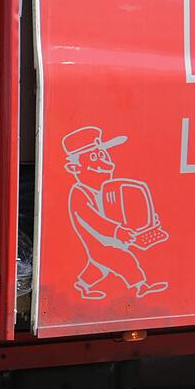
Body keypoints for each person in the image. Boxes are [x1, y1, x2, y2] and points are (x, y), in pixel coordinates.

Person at [62, 126, 167, 300]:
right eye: (94, 156)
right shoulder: (79, 193)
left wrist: (146, 222)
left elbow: (120, 210)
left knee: (98, 269)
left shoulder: (105, 190)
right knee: (124, 260)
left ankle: (82, 285)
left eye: (103, 154)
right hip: (100, 245)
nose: (104, 160)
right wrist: (118, 231)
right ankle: (141, 286)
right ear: (75, 167)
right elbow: (94, 220)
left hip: (111, 241)